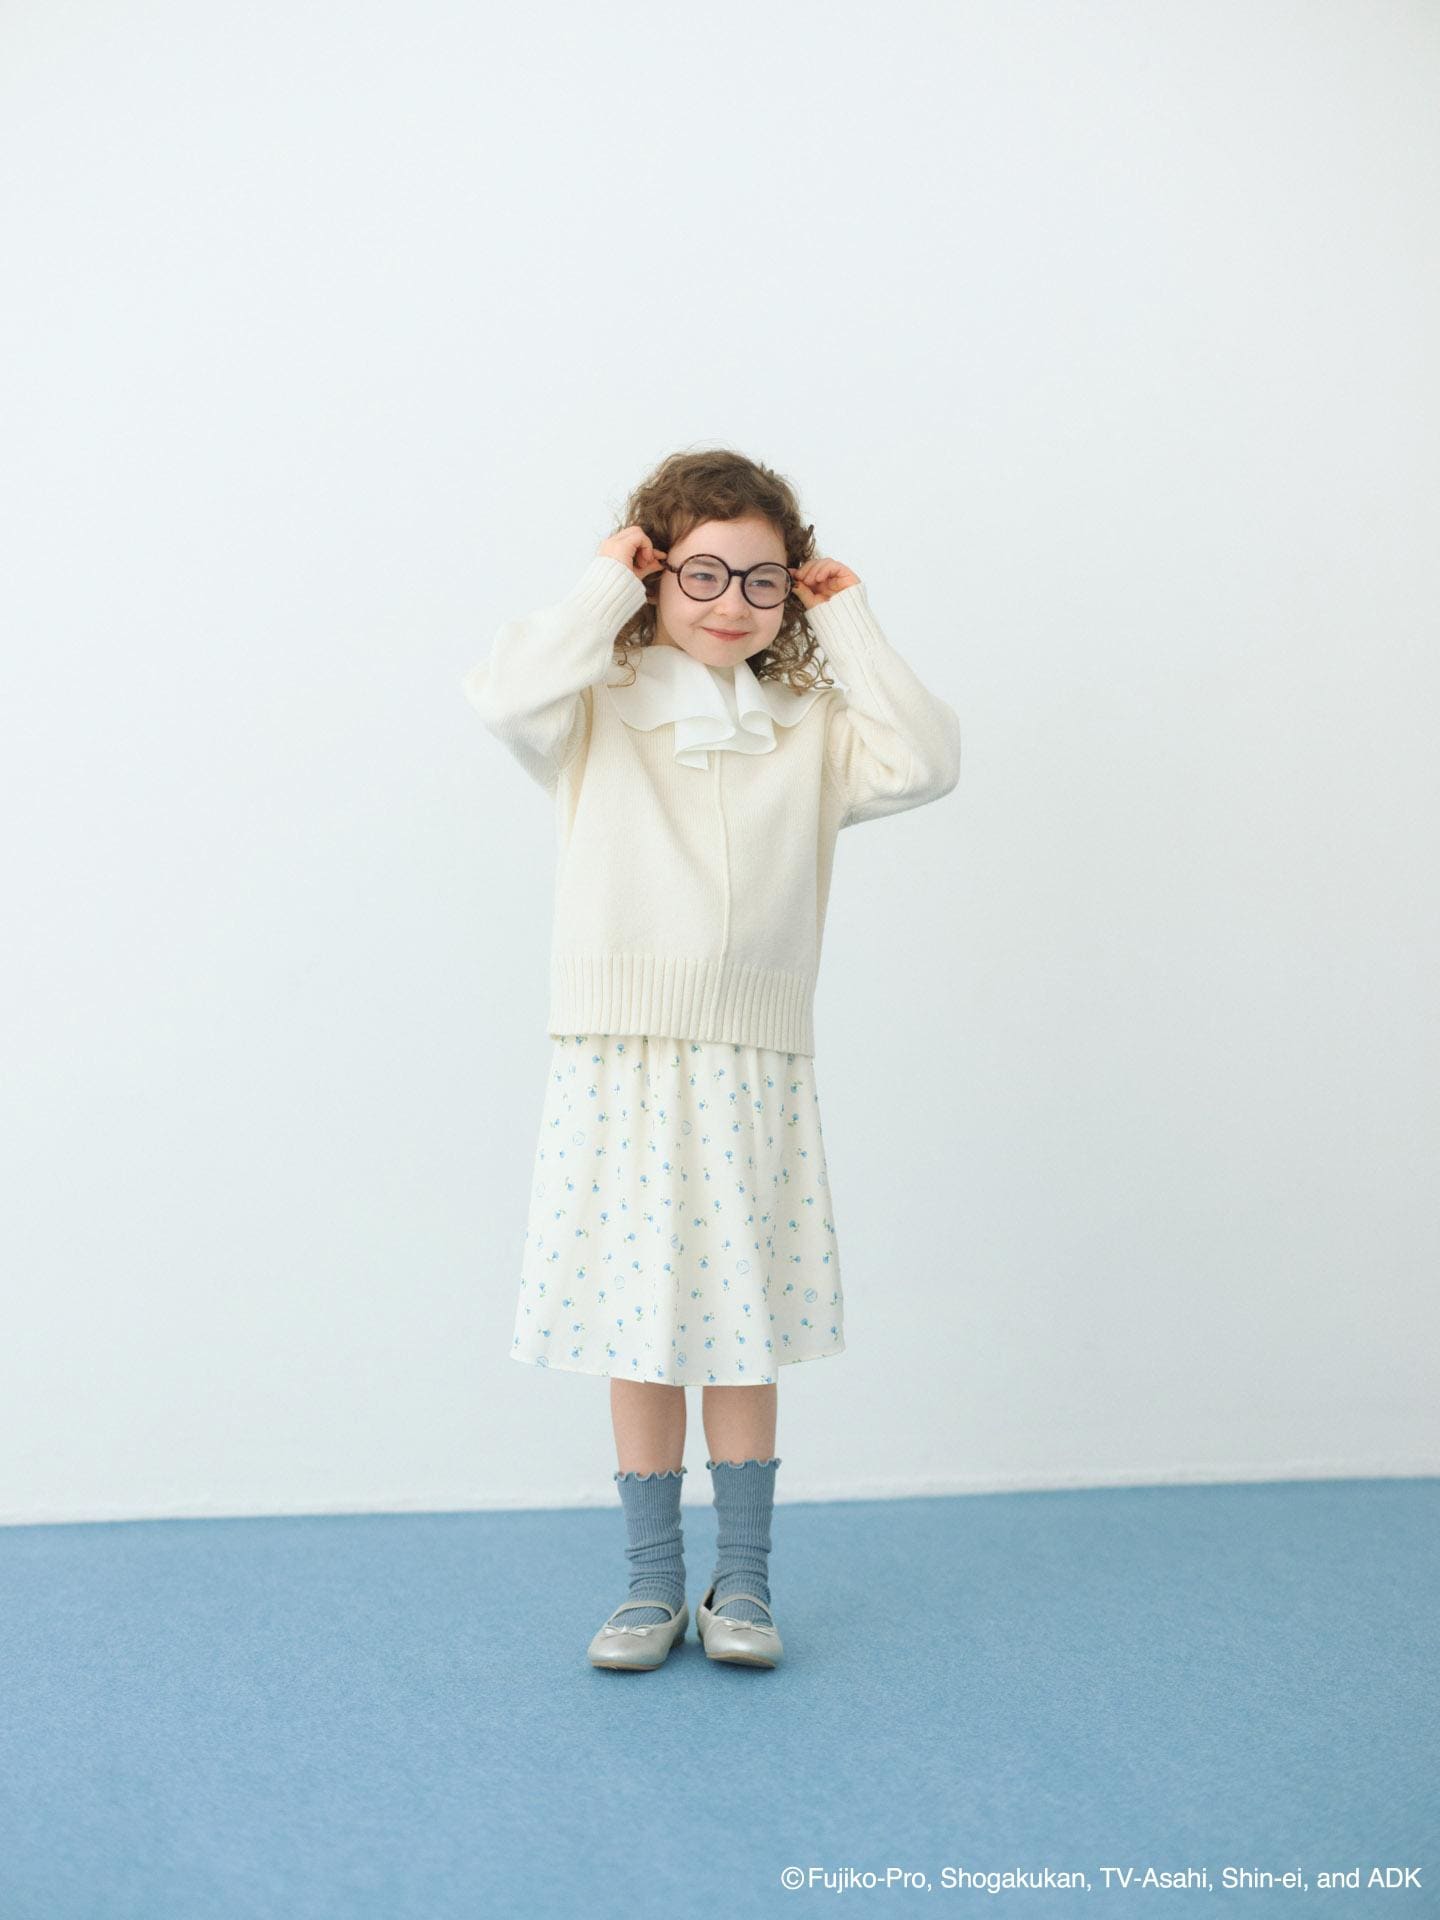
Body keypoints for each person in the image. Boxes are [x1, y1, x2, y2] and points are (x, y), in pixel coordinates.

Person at [462, 446, 961, 1671]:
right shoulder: (595, 706)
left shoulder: (809, 727)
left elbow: (928, 761)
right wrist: (604, 583)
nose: (732, 602)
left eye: (763, 579)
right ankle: (649, 1584)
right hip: (620, 1052)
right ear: (653, 574)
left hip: (752, 1052)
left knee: (739, 1320)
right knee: (637, 1322)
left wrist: (849, 618)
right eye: (701, 573)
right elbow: (503, 695)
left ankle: (745, 1582)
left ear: (796, 588)